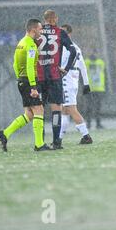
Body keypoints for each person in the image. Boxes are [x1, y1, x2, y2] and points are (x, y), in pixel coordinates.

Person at [0, 19, 52, 151]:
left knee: (29, 114)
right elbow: (30, 66)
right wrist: (33, 86)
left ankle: (5, 133)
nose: (41, 31)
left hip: (22, 80)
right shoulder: (31, 45)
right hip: (29, 82)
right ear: (33, 30)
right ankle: (39, 144)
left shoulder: (21, 43)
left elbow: (15, 64)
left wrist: (19, 79)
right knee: (39, 110)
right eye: (40, 29)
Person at [35, 10, 77, 149]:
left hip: (39, 76)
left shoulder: (37, 32)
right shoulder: (60, 32)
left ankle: (39, 141)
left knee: (38, 110)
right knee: (56, 109)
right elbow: (73, 51)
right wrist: (66, 68)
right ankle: (56, 141)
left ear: (44, 19)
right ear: (55, 19)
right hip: (54, 76)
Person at [59, 24, 93, 144]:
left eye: (62, 32)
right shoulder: (76, 47)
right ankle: (59, 138)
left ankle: (86, 135)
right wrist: (86, 83)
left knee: (71, 109)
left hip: (66, 79)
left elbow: (62, 66)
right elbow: (82, 66)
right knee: (64, 110)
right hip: (74, 78)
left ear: (69, 34)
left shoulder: (64, 48)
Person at [85, 53, 106, 129]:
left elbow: (104, 75)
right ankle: (89, 124)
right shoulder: (86, 62)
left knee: (97, 107)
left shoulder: (101, 62)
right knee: (89, 107)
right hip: (90, 89)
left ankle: (97, 123)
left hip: (98, 88)